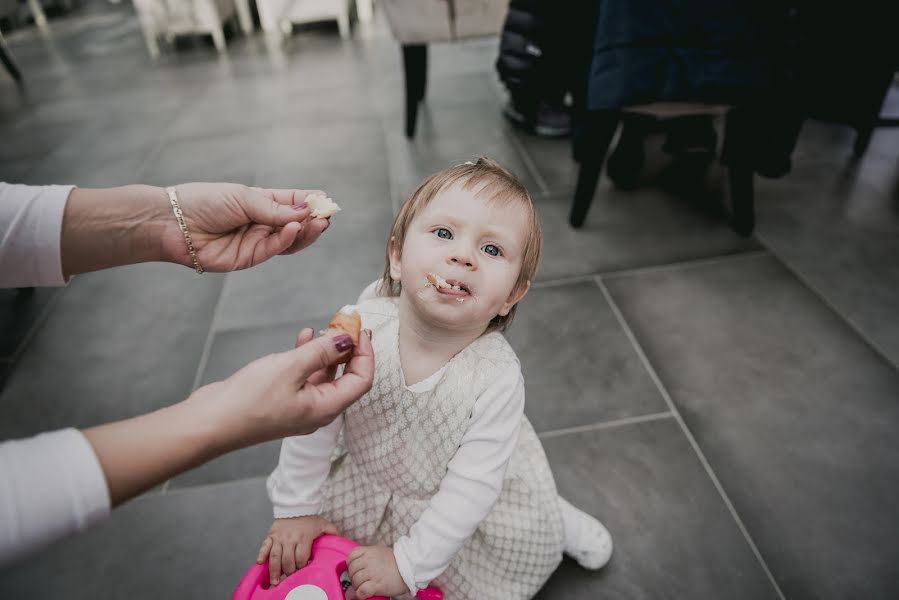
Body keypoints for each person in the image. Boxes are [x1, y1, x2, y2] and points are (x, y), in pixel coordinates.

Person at [257, 158, 613, 600]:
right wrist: (297, 508)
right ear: (397, 256)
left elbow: (470, 491)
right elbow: (313, 420)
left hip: (460, 498)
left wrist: (408, 564)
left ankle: (554, 521)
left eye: (492, 250)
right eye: (444, 234)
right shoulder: (358, 330)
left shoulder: (496, 379)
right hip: (368, 476)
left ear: (512, 295)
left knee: (525, 524)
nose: (462, 256)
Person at [0, 181, 375, 567]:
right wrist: (221, 419)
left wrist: (165, 217)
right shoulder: (368, 317)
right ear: (394, 253)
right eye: (440, 233)